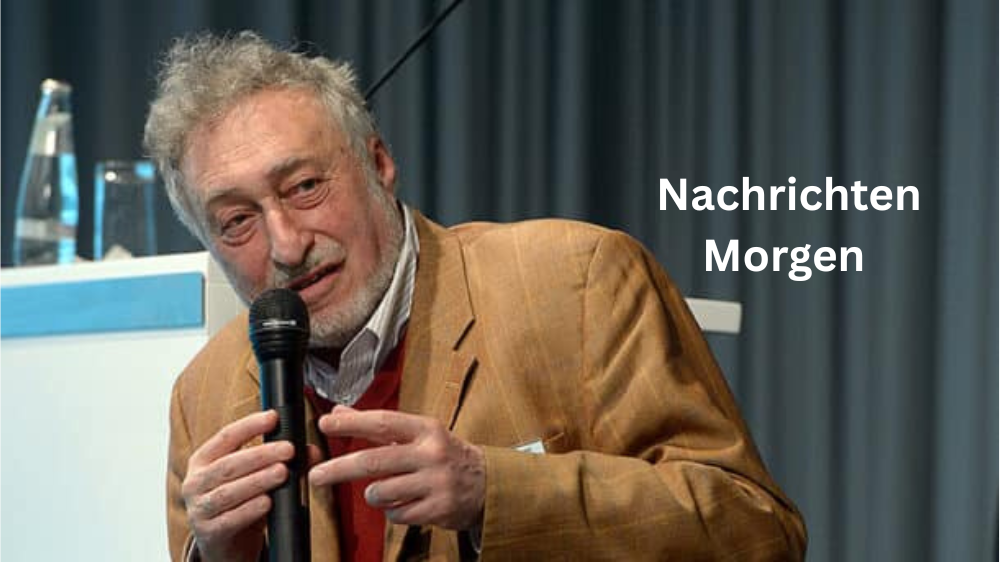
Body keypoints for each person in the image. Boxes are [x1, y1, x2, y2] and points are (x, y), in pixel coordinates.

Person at [145, 31, 806, 562]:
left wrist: (494, 493)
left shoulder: (575, 282)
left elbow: (755, 532)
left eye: (305, 187)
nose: (287, 246)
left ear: (379, 164)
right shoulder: (204, 397)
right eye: (237, 221)